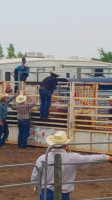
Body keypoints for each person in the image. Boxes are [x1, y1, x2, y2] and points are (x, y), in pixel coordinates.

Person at [31, 131, 112, 200]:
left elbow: (35, 178)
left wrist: (38, 188)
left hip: (45, 192)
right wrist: (108, 158)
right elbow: (90, 158)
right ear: (66, 145)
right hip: (63, 194)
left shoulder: (42, 158)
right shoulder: (72, 157)